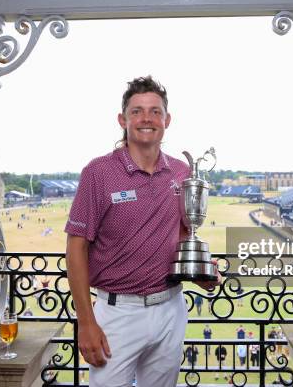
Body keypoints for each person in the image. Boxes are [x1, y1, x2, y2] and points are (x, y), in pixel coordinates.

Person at [65, 76, 220, 387]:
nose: (146, 119)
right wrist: (86, 322)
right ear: (123, 120)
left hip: (170, 309)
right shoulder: (98, 172)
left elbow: (180, 235)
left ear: (167, 120)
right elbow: (76, 247)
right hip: (117, 314)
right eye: (137, 111)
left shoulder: (181, 172)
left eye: (155, 111)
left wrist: (199, 270)